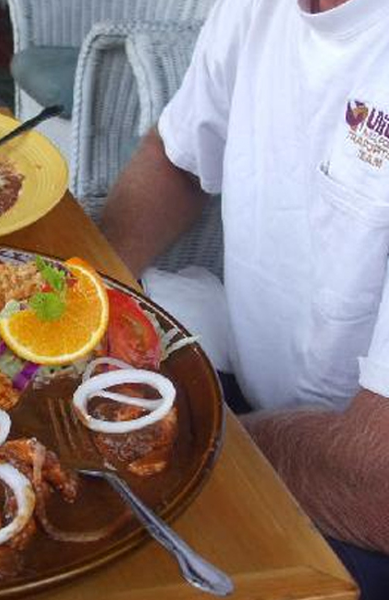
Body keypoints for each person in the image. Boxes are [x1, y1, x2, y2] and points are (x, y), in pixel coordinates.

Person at [100, 0, 389, 597]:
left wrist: (183, 444)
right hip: (260, 420)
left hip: (350, 501)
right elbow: (175, 158)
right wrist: (96, 295)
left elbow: (377, 486)